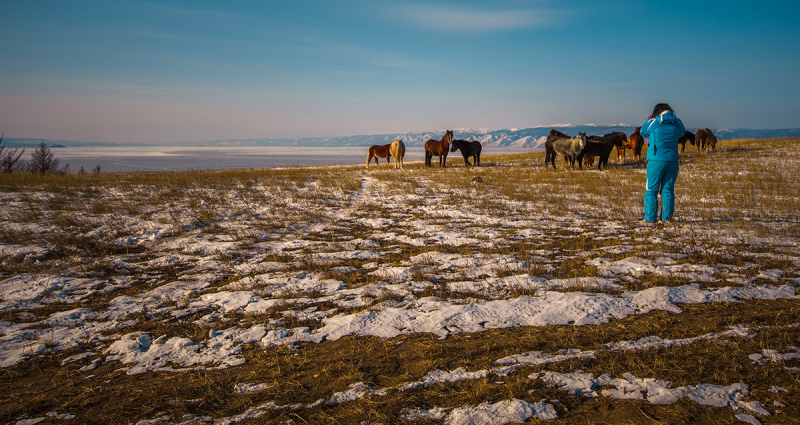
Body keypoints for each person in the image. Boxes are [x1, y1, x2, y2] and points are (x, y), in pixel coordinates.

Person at [640, 103, 685, 223]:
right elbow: (682, 133)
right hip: (672, 159)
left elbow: (643, 132)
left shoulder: (654, 122)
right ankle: (667, 218)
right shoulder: (677, 122)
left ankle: (650, 218)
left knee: (651, 190)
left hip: (656, 160)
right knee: (668, 190)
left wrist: (648, 121)